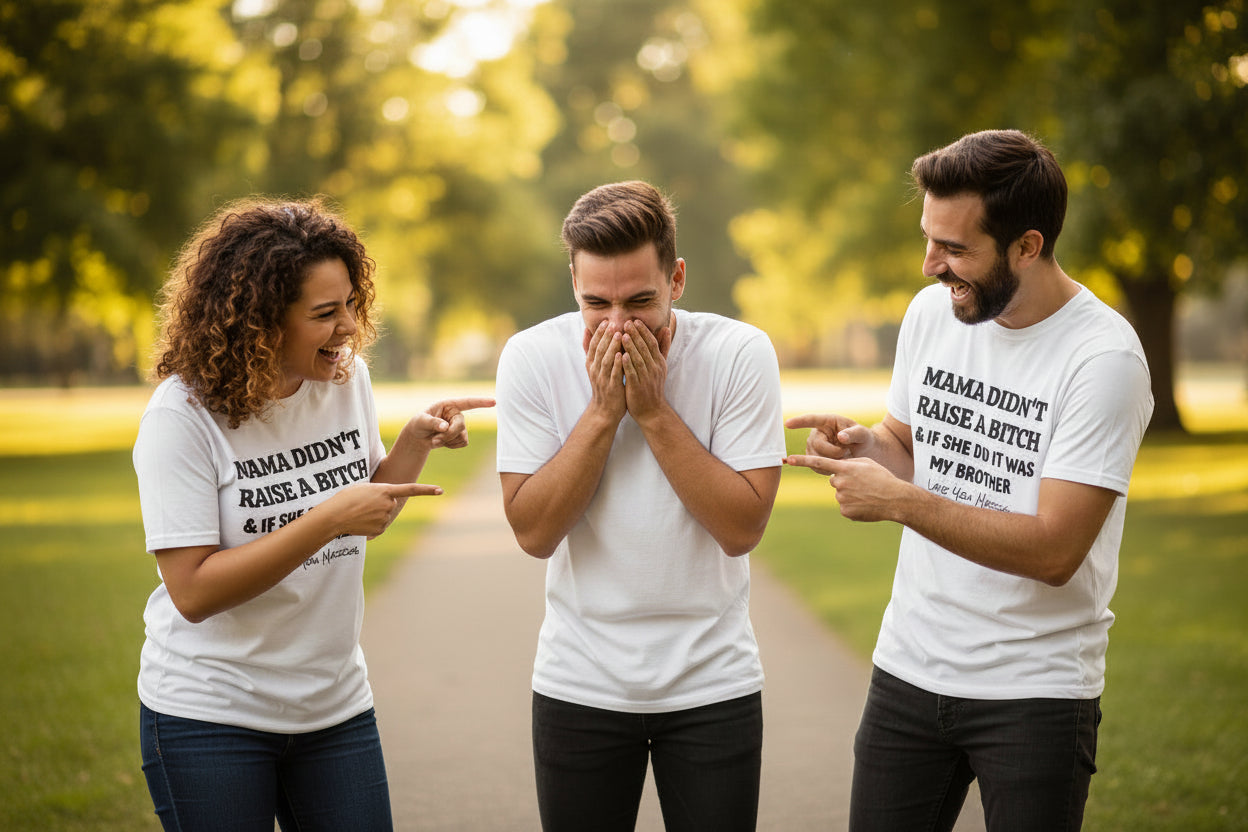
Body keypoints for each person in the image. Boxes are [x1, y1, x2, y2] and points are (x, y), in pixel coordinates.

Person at [784, 129, 1154, 831]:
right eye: (929, 239)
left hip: (1035, 692)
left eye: (954, 249)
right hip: (909, 669)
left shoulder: (1103, 360)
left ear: (1027, 245)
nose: (931, 265)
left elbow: (1055, 550)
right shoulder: (934, 314)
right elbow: (908, 446)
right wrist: (868, 447)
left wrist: (900, 502)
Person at [132, 197, 493, 831]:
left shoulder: (347, 381)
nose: (349, 326)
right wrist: (326, 519)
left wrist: (413, 442)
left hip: (334, 708)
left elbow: (365, 516)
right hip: (210, 715)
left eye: (350, 303)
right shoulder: (181, 416)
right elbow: (191, 592)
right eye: (325, 314)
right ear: (260, 322)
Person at [495, 180, 785, 831]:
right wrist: (603, 413)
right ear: (573, 283)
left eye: (640, 301)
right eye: (595, 304)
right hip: (579, 682)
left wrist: (652, 411)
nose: (618, 326)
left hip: (713, 682)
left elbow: (741, 528)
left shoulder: (739, 353)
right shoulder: (532, 357)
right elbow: (534, 533)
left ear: (676, 279)